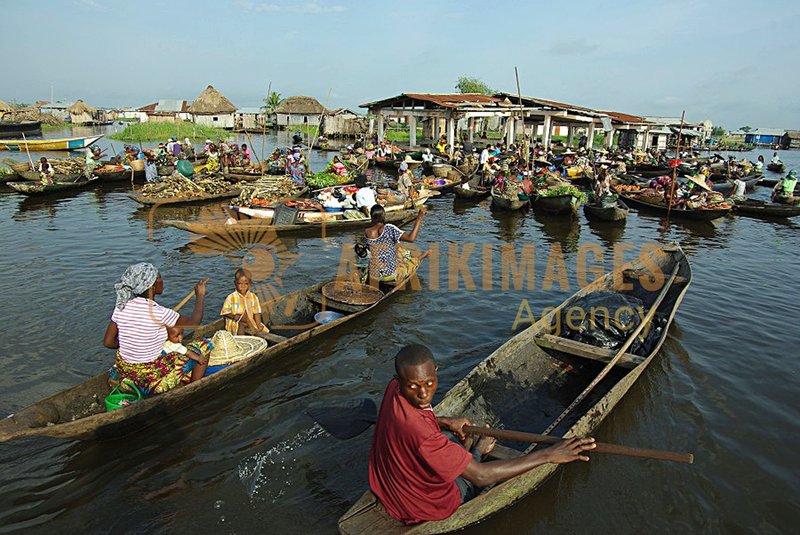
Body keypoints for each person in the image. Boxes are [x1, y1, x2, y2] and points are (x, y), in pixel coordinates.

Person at [369, 344, 596, 524]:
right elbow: (481, 476)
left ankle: (465, 451)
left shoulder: (393, 390)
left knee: (447, 444)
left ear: (436, 371)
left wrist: (444, 421)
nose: (423, 394)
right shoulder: (424, 436)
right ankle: (476, 450)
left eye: (429, 383)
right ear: (399, 380)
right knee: (471, 470)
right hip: (424, 506)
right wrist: (548, 455)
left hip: (390, 486)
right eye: (414, 386)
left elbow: (412, 423)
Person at [103, 263, 209, 395]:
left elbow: (108, 342)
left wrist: (132, 344)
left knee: (165, 346)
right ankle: (193, 389)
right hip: (150, 377)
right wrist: (200, 296)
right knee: (204, 345)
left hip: (126, 370)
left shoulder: (121, 307)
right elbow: (195, 322)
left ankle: (127, 383)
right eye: (159, 278)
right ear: (152, 286)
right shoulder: (160, 312)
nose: (162, 281)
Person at [364, 205, 425, 284]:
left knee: (397, 251)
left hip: (373, 274)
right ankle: (423, 255)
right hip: (388, 275)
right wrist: (419, 219)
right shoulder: (389, 228)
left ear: (372, 217)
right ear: (384, 216)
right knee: (409, 261)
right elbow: (411, 238)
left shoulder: (366, 231)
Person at [220, 268, 270, 335]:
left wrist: (258, 324)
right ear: (235, 283)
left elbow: (257, 312)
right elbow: (224, 312)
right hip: (236, 324)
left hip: (251, 322)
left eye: (246, 284)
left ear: (250, 284)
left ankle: (254, 330)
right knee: (242, 323)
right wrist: (233, 316)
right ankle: (241, 339)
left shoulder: (253, 297)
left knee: (261, 329)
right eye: (240, 284)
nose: (243, 286)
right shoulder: (231, 297)